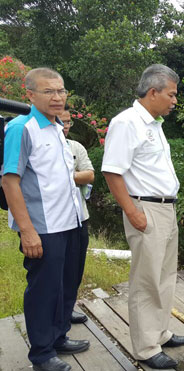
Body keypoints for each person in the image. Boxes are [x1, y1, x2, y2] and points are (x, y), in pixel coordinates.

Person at [102, 64, 184, 369]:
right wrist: (132, 211)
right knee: (146, 280)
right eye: (171, 94)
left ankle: (160, 332)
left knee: (165, 276)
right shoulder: (127, 123)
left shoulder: (153, 124)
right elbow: (112, 171)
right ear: (153, 92)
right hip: (146, 209)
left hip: (165, 208)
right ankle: (145, 348)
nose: (174, 101)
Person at [2, 67, 87, 371]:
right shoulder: (21, 128)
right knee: (43, 290)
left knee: (66, 285)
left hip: (71, 222)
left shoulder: (56, 128)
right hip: (44, 227)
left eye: (61, 90)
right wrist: (27, 231)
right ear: (30, 95)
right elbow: (10, 181)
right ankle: (41, 354)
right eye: (48, 91)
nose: (57, 97)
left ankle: (58, 336)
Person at [61, 104, 95, 324]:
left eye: (67, 122)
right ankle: (52, 313)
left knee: (75, 268)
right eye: (59, 121)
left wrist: (62, 176)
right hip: (53, 221)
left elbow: (90, 175)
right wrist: (74, 175)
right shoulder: (39, 145)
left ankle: (67, 310)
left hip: (80, 217)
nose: (64, 126)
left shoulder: (76, 147)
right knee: (54, 269)